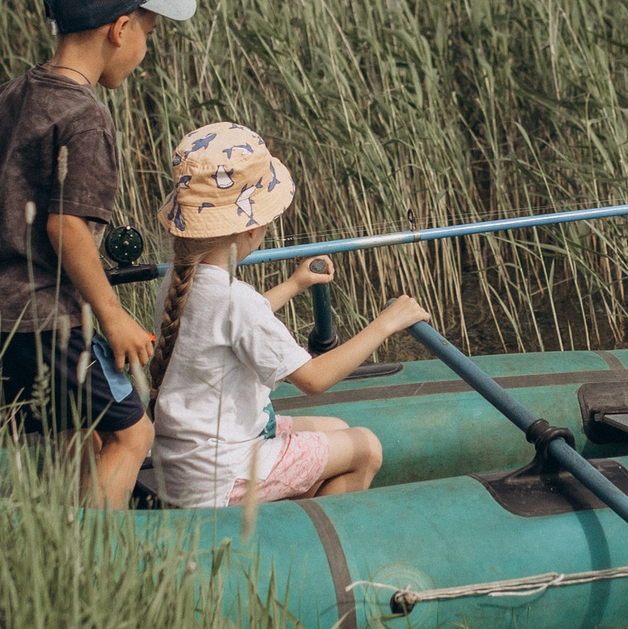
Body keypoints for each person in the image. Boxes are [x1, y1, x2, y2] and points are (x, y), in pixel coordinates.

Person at [0, 0, 195, 504]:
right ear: (119, 29)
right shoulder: (85, 115)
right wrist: (114, 317)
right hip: (52, 320)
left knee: (75, 441)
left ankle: (65, 551)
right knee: (132, 436)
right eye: (147, 33)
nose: (145, 49)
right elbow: (66, 229)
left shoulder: (11, 95)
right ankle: (93, 565)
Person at [144, 122, 421, 510]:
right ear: (253, 229)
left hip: (191, 463)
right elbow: (313, 380)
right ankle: (307, 540)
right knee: (366, 448)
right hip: (227, 473)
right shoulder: (235, 299)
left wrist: (293, 285)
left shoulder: (179, 280)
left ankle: (284, 512)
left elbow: (229, 326)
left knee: (337, 430)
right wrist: (385, 323)